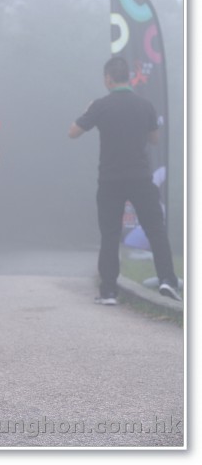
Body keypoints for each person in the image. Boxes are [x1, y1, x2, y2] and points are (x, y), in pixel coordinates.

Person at [68, 56, 181, 305]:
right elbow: (154, 140)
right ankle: (167, 280)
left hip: (110, 180)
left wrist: (88, 111)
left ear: (108, 79)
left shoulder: (100, 105)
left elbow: (73, 132)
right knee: (156, 229)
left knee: (110, 234)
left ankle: (109, 291)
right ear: (128, 77)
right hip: (141, 178)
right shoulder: (145, 105)